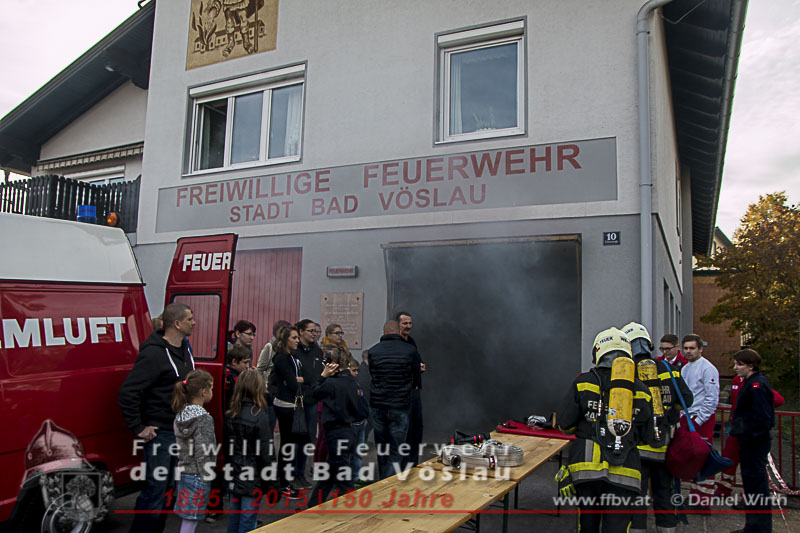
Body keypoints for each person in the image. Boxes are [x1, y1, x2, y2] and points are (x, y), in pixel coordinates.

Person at [557, 327, 652, 533]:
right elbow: (647, 437)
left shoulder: (583, 382)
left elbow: (565, 425)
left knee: (587, 526)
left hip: (586, 469)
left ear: (598, 352)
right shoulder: (642, 390)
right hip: (626, 472)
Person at [118, 303, 196, 533]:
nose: (194, 322)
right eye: (190, 319)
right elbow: (128, 392)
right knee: (155, 491)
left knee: (169, 490)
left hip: (181, 431)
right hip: (161, 434)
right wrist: (138, 427)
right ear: (177, 324)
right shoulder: (153, 353)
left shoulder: (185, 349)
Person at [622, 322, 693, 533]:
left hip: (636, 447)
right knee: (664, 491)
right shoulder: (668, 369)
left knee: (637, 493)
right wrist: (668, 408)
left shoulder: (626, 372)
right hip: (664, 445)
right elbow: (686, 400)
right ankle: (667, 528)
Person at [306, 349, 367, 507]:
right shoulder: (351, 381)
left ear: (332, 365)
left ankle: (353, 508)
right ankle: (312, 506)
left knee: (343, 478)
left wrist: (322, 376)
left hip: (336, 433)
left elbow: (311, 395)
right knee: (330, 473)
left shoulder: (331, 384)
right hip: (348, 430)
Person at [717, 365, 784, 499]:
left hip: (748, 431)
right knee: (728, 458)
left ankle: (749, 495)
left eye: (739, 364)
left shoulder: (756, 383)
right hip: (736, 428)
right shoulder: (736, 380)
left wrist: (760, 408)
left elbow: (778, 400)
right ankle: (723, 489)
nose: (735, 367)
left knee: (750, 464)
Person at [367, 320, 422, 479]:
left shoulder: (373, 351)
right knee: (396, 449)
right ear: (399, 332)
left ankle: (382, 479)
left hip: (378, 404)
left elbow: (373, 374)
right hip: (400, 405)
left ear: (383, 332)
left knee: (382, 447)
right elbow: (416, 376)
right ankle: (387, 482)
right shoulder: (410, 350)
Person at [728, 349, 775, 533]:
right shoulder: (751, 383)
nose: (735, 368)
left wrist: (749, 436)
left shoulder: (757, 386)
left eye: (739, 364)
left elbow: (762, 418)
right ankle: (753, 526)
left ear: (750, 366)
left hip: (754, 444)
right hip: (750, 442)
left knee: (757, 486)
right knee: (752, 486)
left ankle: (759, 527)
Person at [225, 369, 274, 533]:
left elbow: (227, 448)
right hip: (252, 477)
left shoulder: (231, 414)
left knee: (234, 517)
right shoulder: (260, 416)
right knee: (248, 520)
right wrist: (272, 483)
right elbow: (266, 454)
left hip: (234, 473)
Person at [171, 369, 216, 533]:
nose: (212, 391)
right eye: (211, 388)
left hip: (184, 471)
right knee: (192, 520)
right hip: (198, 474)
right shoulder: (204, 419)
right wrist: (207, 475)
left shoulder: (181, 414)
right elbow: (203, 450)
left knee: (187, 517)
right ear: (204, 392)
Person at [680, 333, 720, 507]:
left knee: (704, 456)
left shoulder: (708, 368)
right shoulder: (685, 368)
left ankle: (704, 499)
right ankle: (695, 494)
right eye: (686, 348)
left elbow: (712, 398)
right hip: (687, 417)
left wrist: (700, 419)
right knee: (693, 458)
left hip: (700, 419)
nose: (688, 351)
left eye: (692, 348)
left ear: (700, 348)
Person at [269, 325, 305, 498]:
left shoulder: (292, 356)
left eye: (298, 337)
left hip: (293, 403)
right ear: (285, 340)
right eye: (294, 337)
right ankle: (283, 483)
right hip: (285, 404)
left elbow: (302, 377)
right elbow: (291, 382)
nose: (298, 340)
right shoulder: (281, 358)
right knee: (287, 444)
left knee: (290, 443)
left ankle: (284, 480)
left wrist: (300, 379)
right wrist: (297, 380)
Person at [292, 319, 324, 488]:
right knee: (296, 438)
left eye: (315, 331)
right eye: (311, 331)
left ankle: (300, 472)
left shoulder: (317, 350)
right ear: (301, 331)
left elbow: (318, 374)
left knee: (306, 439)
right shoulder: (294, 351)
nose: (314, 334)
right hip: (298, 400)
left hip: (312, 398)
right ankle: (291, 474)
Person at [395, 311, 425, 466]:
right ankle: (401, 466)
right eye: (405, 323)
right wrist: (415, 368)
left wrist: (420, 366)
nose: (408, 326)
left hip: (415, 390)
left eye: (410, 323)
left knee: (416, 428)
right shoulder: (396, 344)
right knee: (403, 430)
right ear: (397, 325)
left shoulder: (411, 341)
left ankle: (412, 464)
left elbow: (417, 360)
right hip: (403, 393)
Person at [256, 319, 291, 438]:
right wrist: (263, 388)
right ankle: (268, 447)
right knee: (269, 423)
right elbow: (259, 369)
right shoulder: (269, 347)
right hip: (269, 392)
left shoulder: (288, 349)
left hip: (283, 392)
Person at [348, 357, 369, 485]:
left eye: (357, 370)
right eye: (353, 370)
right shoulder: (346, 385)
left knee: (358, 452)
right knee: (348, 452)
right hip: (352, 423)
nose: (356, 373)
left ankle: (356, 476)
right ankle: (346, 478)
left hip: (360, 421)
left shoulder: (357, 383)